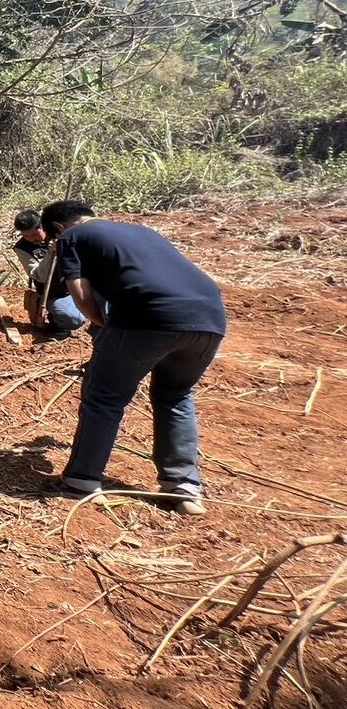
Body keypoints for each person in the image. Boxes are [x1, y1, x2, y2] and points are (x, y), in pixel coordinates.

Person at [39, 200, 226, 516]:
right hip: (210, 318)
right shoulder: (140, 230)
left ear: (57, 228)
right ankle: (183, 487)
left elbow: (80, 294)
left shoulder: (71, 237)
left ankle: (81, 480)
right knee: (176, 397)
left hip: (148, 316)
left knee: (104, 397)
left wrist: (105, 328)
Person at [11, 209, 85, 335]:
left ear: (42, 227)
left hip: (81, 286)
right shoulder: (22, 248)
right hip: (56, 294)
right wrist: (50, 254)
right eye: (26, 236)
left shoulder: (60, 234)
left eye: (35, 234)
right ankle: (57, 322)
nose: (31, 239)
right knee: (74, 319)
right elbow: (38, 275)